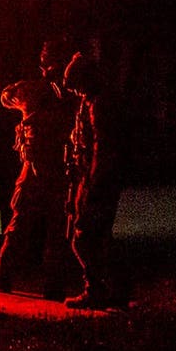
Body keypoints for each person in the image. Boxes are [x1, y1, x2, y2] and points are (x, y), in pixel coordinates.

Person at [0, 38, 78, 300]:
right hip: (58, 167)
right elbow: (6, 97)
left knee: (24, 223)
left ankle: (5, 275)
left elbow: (7, 97)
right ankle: (53, 283)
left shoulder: (39, 91)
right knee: (56, 227)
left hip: (40, 165)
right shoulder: (70, 93)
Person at [62, 51, 124, 309]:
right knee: (95, 237)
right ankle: (112, 289)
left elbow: (102, 148)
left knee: (85, 236)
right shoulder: (92, 102)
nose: (74, 91)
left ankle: (97, 289)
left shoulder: (99, 105)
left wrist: (93, 184)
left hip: (96, 180)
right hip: (89, 177)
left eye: (75, 85)